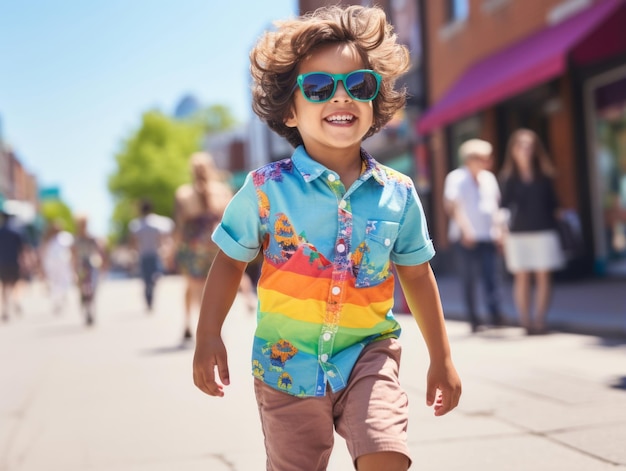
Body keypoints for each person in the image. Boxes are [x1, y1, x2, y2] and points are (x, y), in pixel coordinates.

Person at [192, 6, 462, 471]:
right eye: (318, 88)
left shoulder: (397, 193)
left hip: (369, 357)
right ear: (290, 111)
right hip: (286, 370)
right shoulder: (264, 189)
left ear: (375, 103)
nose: (341, 97)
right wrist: (207, 336)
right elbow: (229, 263)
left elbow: (417, 275)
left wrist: (442, 357)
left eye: (358, 86)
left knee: (387, 455)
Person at [499, 128, 565, 335]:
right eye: (521, 145)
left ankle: (539, 320)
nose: (525, 150)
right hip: (518, 233)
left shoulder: (544, 174)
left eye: (529, 145)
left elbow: (555, 205)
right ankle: (525, 321)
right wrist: (501, 232)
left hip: (544, 230)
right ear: (513, 150)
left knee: (544, 275)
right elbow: (502, 208)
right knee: (522, 276)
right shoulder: (508, 177)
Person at [173, 152, 237, 341]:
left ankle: (189, 323)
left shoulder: (183, 193)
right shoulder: (223, 190)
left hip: (192, 246)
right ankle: (214, 325)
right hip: (216, 243)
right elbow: (230, 219)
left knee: (193, 287)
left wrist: (175, 249)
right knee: (216, 286)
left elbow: (180, 224)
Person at [443, 139, 504, 333]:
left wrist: (500, 230)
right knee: (469, 278)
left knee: (491, 276)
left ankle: (495, 315)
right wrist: (465, 229)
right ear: (471, 159)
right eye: (483, 158)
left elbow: (495, 206)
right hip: (466, 236)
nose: (487, 162)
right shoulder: (456, 177)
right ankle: (474, 319)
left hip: (488, 234)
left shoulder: (489, 178)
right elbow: (452, 205)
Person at [128, 199, 174, 311]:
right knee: (155, 276)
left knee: (147, 280)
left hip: (144, 255)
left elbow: (133, 241)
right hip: (154, 254)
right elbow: (163, 237)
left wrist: (134, 252)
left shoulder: (137, 225)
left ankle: (149, 297)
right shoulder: (157, 223)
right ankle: (149, 298)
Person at [73, 214, 106, 326]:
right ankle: (86, 310)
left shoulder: (92, 238)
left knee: (92, 289)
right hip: (81, 266)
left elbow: (101, 251)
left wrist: (102, 265)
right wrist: (74, 271)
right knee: (83, 290)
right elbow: (73, 256)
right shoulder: (76, 239)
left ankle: (90, 312)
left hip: (92, 265)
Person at [40, 220, 75, 315]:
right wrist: (42, 269)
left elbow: (72, 250)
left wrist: (73, 264)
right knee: (54, 284)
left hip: (64, 265)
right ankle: (56, 302)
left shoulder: (65, 237)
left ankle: (62, 297)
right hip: (52, 266)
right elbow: (43, 253)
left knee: (64, 282)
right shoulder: (48, 239)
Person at [0, 210, 25, 321]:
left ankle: (6, 308)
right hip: (13, 262)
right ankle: (15, 301)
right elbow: (22, 250)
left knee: (4, 286)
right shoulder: (16, 232)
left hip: (2, 262)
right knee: (15, 284)